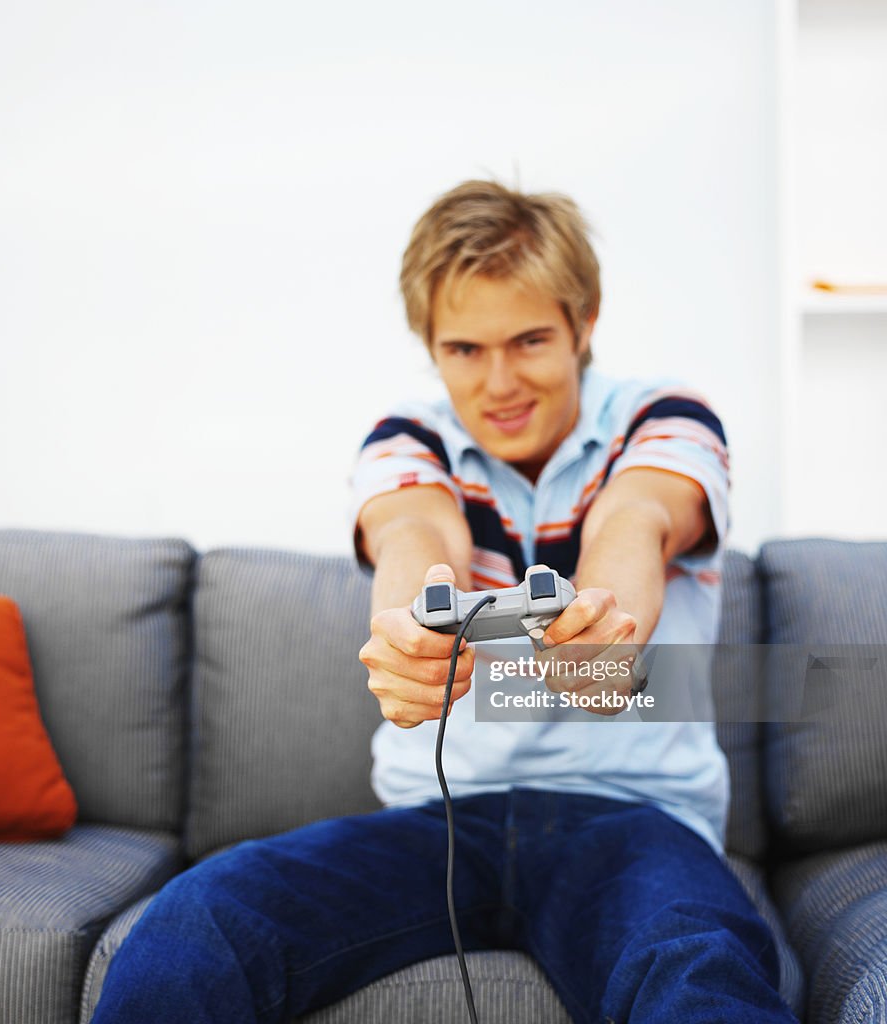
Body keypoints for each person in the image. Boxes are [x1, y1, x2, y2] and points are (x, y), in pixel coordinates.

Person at [91, 181, 798, 1023]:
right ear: (428, 345)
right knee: (197, 921)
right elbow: (414, 537)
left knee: (694, 967)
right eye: (464, 349)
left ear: (585, 322)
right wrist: (405, 627)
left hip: (632, 822)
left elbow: (636, 519)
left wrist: (606, 628)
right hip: (439, 823)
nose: (500, 382)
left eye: (530, 339)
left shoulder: (665, 416)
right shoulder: (407, 435)